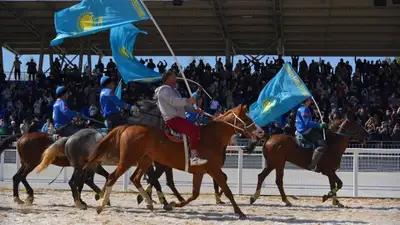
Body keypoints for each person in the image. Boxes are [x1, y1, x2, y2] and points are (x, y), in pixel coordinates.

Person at [154, 71, 207, 166]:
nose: (176, 79)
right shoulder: (164, 90)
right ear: (168, 78)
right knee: (194, 131)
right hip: (173, 119)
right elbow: (174, 102)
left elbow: (184, 106)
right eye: (174, 77)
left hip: (180, 119)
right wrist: (188, 100)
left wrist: (195, 110)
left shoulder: (174, 91)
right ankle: (193, 157)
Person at [295, 98, 327, 171]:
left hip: (300, 130)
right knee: (323, 145)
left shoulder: (300, 108)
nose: (311, 101)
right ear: (306, 101)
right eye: (309, 100)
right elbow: (308, 123)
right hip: (305, 131)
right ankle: (313, 165)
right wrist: (320, 125)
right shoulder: (305, 109)